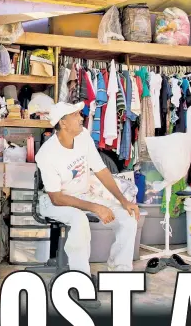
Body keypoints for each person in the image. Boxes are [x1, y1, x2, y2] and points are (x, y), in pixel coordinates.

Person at [36, 102, 140, 284]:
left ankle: (119, 273)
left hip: (83, 195)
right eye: (75, 115)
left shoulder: (83, 137)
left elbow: (101, 170)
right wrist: (95, 207)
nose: (81, 117)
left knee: (128, 218)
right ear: (63, 123)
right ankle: (80, 280)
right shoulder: (47, 153)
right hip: (53, 201)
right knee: (79, 220)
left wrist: (123, 201)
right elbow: (56, 197)